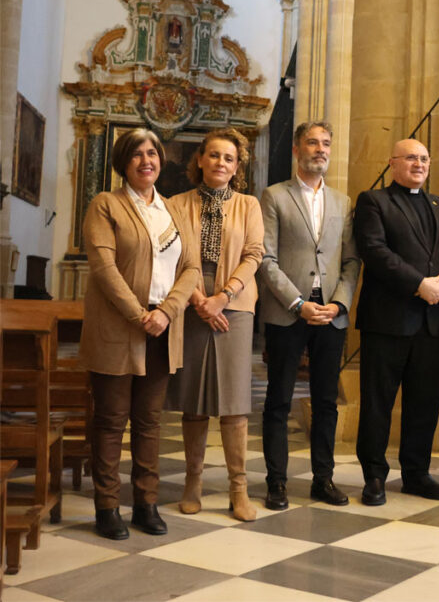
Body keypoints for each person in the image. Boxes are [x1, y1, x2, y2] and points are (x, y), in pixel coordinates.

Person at [80, 128, 199, 539]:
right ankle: (107, 506)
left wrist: (166, 312)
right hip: (118, 326)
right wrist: (138, 315)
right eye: (136, 155)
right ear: (123, 163)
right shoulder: (105, 205)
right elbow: (103, 267)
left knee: (149, 422)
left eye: (152, 153)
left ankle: (146, 504)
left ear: (161, 160)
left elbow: (192, 269)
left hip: (163, 328)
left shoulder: (174, 210)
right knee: (111, 421)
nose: (146, 160)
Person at [354, 138, 439, 506]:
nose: (419, 164)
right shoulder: (374, 201)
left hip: (431, 323)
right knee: (377, 403)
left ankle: (417, 474)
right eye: (411, 158)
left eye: (424, 158)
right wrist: (419, 285)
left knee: (424, 403)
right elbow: (374, 251)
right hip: (387, 321)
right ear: (393, 163)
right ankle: (374, 476)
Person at [259, 121, 361, 510]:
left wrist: (339, 302)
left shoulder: (342, 201)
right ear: (297, 149)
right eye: (313, 143)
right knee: (279, 400)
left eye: (326, 143)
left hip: (330, 315)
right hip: (289, 313)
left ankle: (323, 479)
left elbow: (351, 260)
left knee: (326, 401)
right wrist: (297, 303)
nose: (321, 149)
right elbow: (266, 259)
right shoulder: (274, 196)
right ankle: (277, 482)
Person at [167, 128, 264, 522]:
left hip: (235, 306)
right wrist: (198, 300)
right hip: (189, 304)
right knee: (193, 399)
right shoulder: (175, 204)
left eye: (228, 158)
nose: (220, 163)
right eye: (214, 156)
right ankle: (193, 483)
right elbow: (171, 254)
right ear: (200, 160)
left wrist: (222, 297)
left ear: (236, 166)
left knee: (234, 401)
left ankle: (238, 489)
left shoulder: (249, 205)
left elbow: (254, 253)